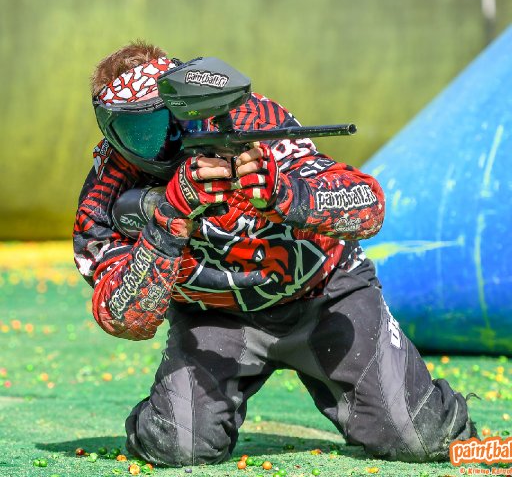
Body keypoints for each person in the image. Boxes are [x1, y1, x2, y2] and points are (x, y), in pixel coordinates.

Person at [73, 41, 476, 467]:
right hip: (214, 318)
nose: (163, 143)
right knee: (178, 446)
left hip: (325, 294)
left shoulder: (251, 122)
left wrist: (286, 194)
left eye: (170, 119)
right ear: (110, 132)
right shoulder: (107, 190)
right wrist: (170, 219)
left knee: (420, 437)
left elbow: (370, 206)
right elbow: (123, 319)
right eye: (138, 132)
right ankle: (158, 417)